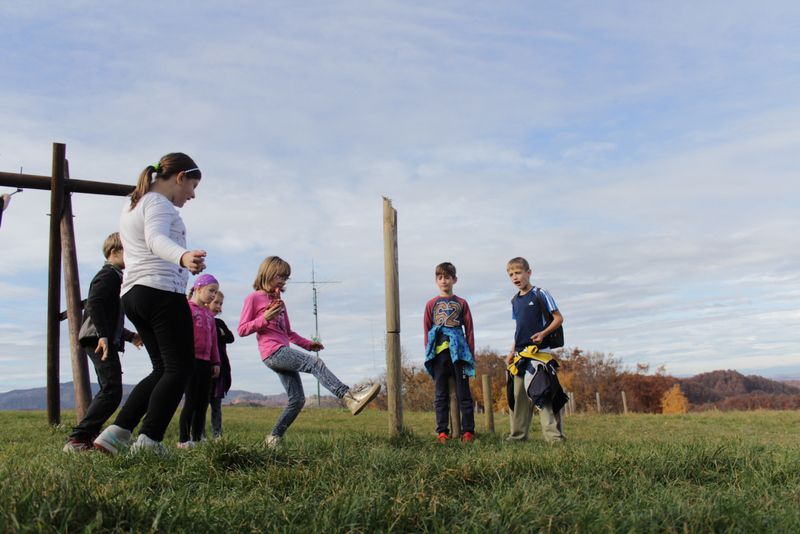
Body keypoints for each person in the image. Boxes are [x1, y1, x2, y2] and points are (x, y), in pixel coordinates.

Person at [93, 153, 207, 455]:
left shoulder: (133, 203)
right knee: (181, 368)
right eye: (192, 186)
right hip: (160, 292)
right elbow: (155, 239)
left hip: (134, 294)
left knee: (162, 369)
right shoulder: (158, 203)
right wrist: (182, 256)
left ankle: (117, 433)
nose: (192, 195)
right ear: (179, 177)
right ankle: (150, 440)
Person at [237, 256, 381, 448]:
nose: (282, 281)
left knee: (297, 400)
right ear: (268, 273)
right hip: (272, 352)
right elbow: (242, 329)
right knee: (315, 364)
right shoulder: (253, 298)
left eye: (286, 278)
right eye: (280, 276)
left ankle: (273, 438)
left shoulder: (280, 303)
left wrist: (308, 345)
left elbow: (288, 333)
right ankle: (348, 397)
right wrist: (264, 318)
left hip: (282, 351)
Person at [62, 232, 143, 452]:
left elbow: (111, 319)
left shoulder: (116, 277)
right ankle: (78, 439)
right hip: (97, 340)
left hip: (101, 338)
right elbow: (94, 304)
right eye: (130, 250)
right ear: (114, 252)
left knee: (109, 389)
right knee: (112, 390)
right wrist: (103, 336)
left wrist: (130, 336)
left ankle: (86, 435)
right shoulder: (108, 275)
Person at [505, 257, 566, 443]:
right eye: (511, 274)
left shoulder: (541, 293)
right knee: (518, 397)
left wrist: (543, 333)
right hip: (520, 356)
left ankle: (554, 438)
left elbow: (558, 318)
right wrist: (511, 351)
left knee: (542, 395)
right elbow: (519, 329)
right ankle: (518, 436)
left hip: (539, 355)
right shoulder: (514, 300)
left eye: (518, 273)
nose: (515, 277)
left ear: (528, 273)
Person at [423, 262, 476, 443]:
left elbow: (469, 330)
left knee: (464, 394)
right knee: (440, 395)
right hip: (439, 354)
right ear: (436, 280)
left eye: (447, 277)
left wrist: (471, 354)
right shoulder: (431, 304)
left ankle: (468, 431)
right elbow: (427, 330)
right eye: (440, 277)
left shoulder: (462, 303)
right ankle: (442, 432)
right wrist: (428, 353)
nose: (444, 281)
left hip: (459, 353)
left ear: (454, 279)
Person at [177, 274, 221, 448]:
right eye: (211, 291)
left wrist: (215, 362)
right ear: (198, 288)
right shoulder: (187, 309)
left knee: (203, 401)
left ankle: (197, 437)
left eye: (216, 292)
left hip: (205, 362)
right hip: (190, 360)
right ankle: (183, 439)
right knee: (191, 400)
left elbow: (214, 341)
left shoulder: (209, 315)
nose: (213, 295)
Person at [207, 290, 233, 439]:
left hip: (220, 367)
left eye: (220, 303)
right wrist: (219, 334)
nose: (218, 306)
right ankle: (198, 435)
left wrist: (219, 334)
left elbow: (230, 337)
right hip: (205, 366)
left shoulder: (219, 322)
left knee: (216, 404)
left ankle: (217, 436)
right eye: (216, 302)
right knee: (200, 404)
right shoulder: (201, 320)